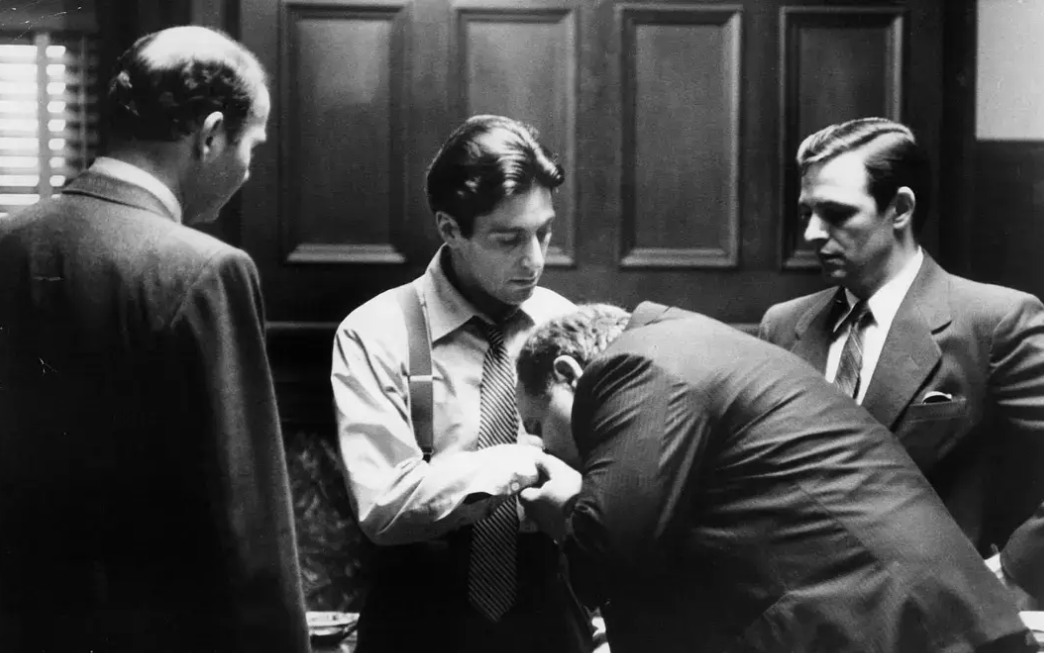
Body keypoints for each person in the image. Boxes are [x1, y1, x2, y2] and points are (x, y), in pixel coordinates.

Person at [0, 26, 308, 652]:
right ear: (211, 134)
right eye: (252, 146)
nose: (249, 169)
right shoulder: (205, 270)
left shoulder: (10, 244)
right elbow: (247, 524)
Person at [515, 302, 1037, 653]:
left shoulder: (636, 363)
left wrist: (565, 510)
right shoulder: (697, 348)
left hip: (891, 625)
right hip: (918, 619)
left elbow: (613, 549)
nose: (542, 445)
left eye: (538, 425)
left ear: (568, 373)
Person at [331, 115, 596, 653]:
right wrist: (519, 463)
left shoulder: (566, 324)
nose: (535, 260)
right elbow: (385, 507)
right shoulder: (375, 332)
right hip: (419, 621)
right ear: (450, 229)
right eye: (509, 239)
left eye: (544, 232)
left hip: (551, 613)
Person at [758, 117, 1044, 605]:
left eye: (836, 213)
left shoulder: (994, 322)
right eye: (807, 212)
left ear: (901, 208)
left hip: (935, 617)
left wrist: (1013, 573)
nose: (811, 233)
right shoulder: (784, 326)